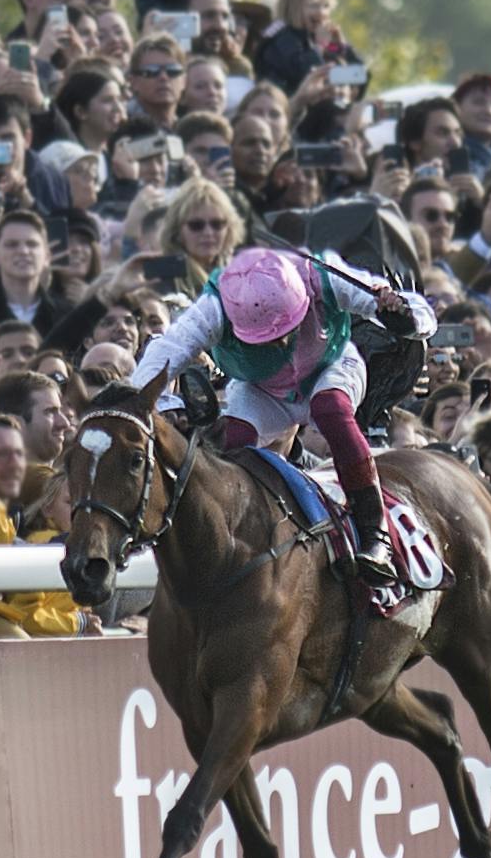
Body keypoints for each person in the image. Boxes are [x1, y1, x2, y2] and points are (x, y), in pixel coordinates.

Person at [124, 243, 440, 612]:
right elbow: (166, 351)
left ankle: (375, 534)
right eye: (268, 337)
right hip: (263, 388)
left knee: (331, 410)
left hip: (332, 367)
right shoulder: (213, 307)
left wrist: (404, 316)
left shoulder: (322, 274)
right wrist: (154, 403)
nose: (280, 342)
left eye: (286, 330)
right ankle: (233, 548)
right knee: (232, 446)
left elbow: (416, 310)